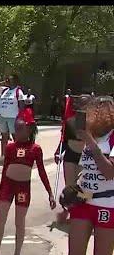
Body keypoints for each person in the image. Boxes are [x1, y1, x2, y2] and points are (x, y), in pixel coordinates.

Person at [60, 95, 114, 255]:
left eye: (97, 110)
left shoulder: (110, 139)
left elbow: (109, 173)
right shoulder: (86, 137)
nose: (92, 115)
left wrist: (90, 142)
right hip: (84, 204)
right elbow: (81, 168)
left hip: (107, 206)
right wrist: (69, 194)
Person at [0, 108, 55, 255]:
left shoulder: (35, 149)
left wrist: (50, 193)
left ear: (29, 129)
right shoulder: (10, 148)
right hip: (8, 186)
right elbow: (5, 169)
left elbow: (41, 171)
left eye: (20, 128)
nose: (16, 131)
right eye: (15, 128)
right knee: (0, 220)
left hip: (23, 189)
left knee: (20, 222)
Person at [55, 94, 85, 223]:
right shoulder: (69, 121)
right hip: (70, 155)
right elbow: (64, 140)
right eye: (79, 104)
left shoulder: (95, 123)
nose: (81, 107)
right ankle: (69, 211)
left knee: (83, 187)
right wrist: (58, 152)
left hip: (85, 156)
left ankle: (82, 210)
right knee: (70, 186)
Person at [0, 74, 26, 163]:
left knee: (15, 138)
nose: (8, 81)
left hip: (13, 117)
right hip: (3, 117)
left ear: (15, 81)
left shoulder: (18, 91)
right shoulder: (4, 90)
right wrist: (4, 82)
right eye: (7, 79)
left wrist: (21, 118)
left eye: (10, 80)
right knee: (4, 137)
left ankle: (17, 155)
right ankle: (3, 155)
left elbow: (22, 106)